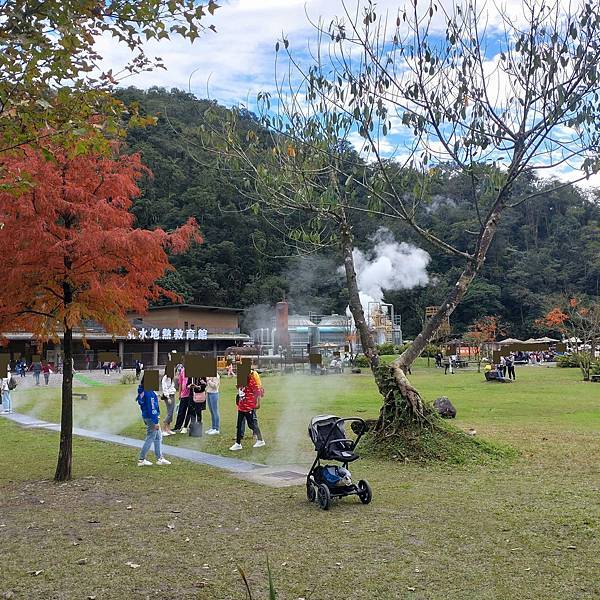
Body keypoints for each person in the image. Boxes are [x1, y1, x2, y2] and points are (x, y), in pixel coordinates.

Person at [136, 384, 171, 466]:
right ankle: (142, 459)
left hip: (147, 416)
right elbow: (152, 408)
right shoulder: (149, 393)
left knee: (158, 437)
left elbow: (142, 402)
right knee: (150, 437)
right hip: (151, 418)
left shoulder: (143, 391)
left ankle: (160, 458)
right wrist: (155, 422)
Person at [230, 370, 265, 451]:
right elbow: (242, 391)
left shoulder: (251, 381)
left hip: (248, 407)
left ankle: (260, 440)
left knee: (251, 424)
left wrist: (257, 402)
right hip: (241, 406)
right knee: (239, 425)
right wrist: (239, 387)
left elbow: (258, 392)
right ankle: (238, 443)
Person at [172, 366, 192, 434]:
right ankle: (177, 426)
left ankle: (186, 427)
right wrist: (180, 393)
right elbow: (180, 383)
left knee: (189, 412)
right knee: (181, 411)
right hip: (184, 394)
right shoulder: (183, 370)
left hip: (191, 395)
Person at [160, 371, 177, 436]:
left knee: (171, 412)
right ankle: (163, 429)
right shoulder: (165, 378)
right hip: (168, 396)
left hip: (172, 395)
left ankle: (168, 429)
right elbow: (164, 388)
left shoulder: (171, 377)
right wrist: (168, 397)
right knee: (169, 413)